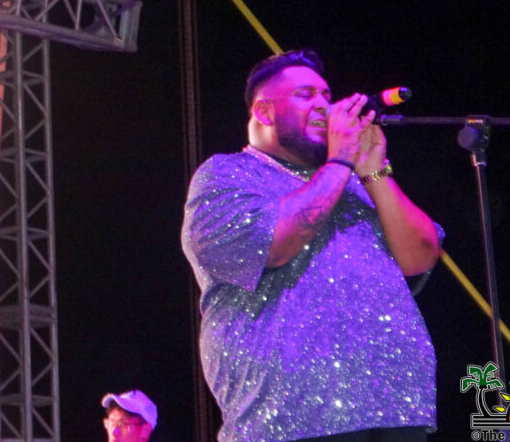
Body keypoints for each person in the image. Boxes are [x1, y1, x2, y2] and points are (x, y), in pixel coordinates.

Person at [182, 49, 443, 442]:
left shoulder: (353, 183)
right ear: (265, 112)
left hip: (395, 408)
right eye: (305, 95)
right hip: (290, 416)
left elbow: (420, 257)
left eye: (326, 95)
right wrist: (339, 161)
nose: (324, 105)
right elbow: (274, 244)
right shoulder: (226, 175)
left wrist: (374, 169)